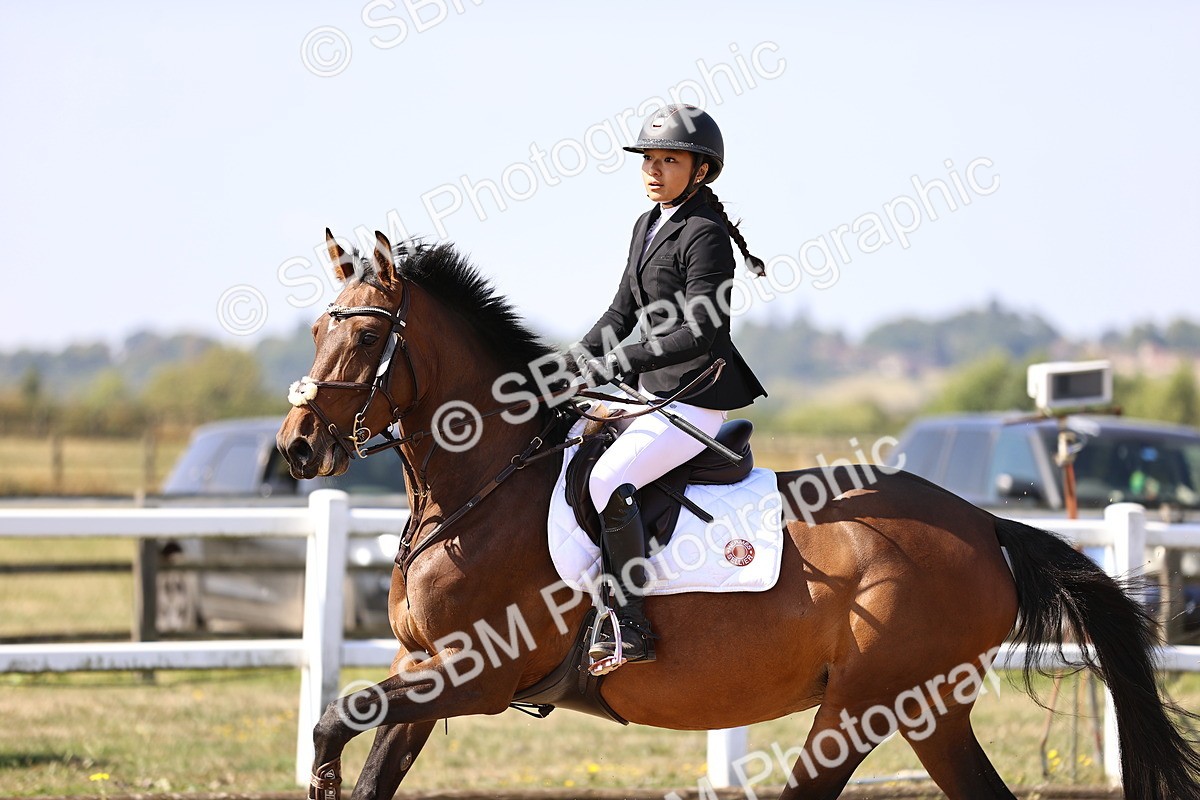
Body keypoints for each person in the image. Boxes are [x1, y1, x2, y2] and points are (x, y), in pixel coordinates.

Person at [571, 104, 767, 667]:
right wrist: (570, 365)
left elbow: (704, 329)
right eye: (648, 161)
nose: (654, 171)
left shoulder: (705, 234)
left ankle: (628, 624)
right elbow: (620, 311)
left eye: (668, 161)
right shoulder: (648, 223)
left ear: (700, 170)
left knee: (608, 477)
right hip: (645, 392)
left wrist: (619, 359)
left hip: (692, 396)